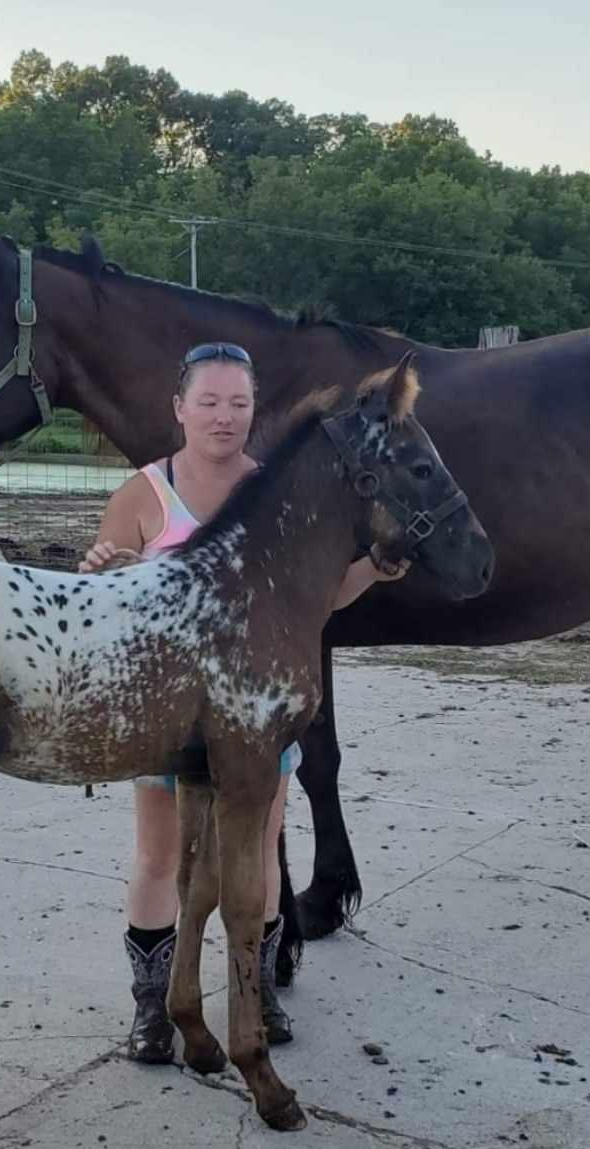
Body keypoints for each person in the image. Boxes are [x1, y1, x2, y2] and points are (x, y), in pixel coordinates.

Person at [78, 341, 410, 1063]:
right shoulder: (144, 494)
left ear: (254, 410)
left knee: (259, 851)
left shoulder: (279, 489)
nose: (224, 417)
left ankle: (252, 995)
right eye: (209, 402)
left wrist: (371, 572)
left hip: (257, 716)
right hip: (164, 717)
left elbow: (316, 601)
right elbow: (105, 600)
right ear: (179, 409)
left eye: (238, 403)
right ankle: (154, 1007)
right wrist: (100, 567)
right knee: (160, 855)